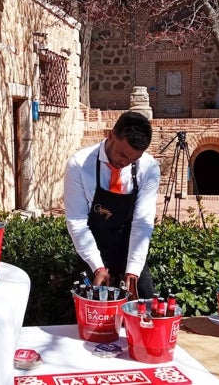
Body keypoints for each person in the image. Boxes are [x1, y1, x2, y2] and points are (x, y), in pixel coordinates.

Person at [64, 111, 161, 300]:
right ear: (111, 135)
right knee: (91, 312)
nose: (125, 162)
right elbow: (76, 221)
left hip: (129, 246)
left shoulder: (149, 168)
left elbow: (142, 222)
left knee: (143, 310)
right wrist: (97, 266)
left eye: (133, 159)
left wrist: (132, 272)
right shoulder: (79, 165)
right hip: (92, 245)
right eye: (122, 154)